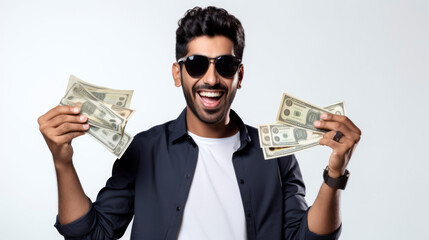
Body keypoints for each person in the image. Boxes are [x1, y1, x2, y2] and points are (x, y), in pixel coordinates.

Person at [37, 6, 361, 240]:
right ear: (178, 74)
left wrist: (335, 174)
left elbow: (307, 238)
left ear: (239, 75)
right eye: (195, 64)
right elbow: (92, 233)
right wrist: (62, 162)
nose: (211, 78)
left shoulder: (275, 153)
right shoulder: (145, 150)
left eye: (225, 64)